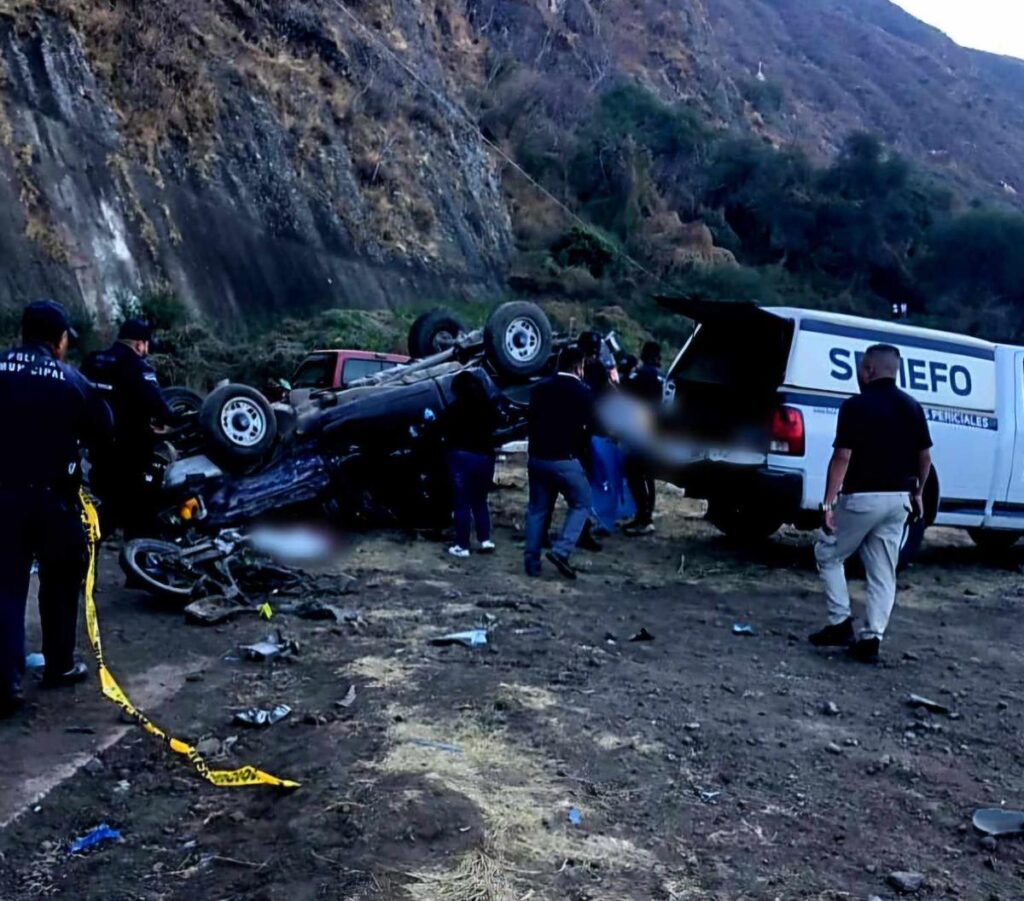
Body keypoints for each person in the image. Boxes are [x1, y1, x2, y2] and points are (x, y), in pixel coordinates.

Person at [0, 300, 112, 718]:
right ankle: (59, 665)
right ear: (58, 340)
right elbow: (105, 427)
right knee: (62, 578)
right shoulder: (70, 379)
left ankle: (5, 681)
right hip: (53, 499)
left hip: (3, 496)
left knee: (6, 587)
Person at [810, 344, 932, 664]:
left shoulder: (855, 406)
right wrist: (918, 493)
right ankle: (872, 638)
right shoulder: (913, 407)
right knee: (882, 571)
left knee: (828, 552)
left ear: (869, 370)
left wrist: (826, 504)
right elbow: (925, 457)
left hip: (862, 498)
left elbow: (842, 456)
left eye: (861, 368)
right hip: (899, 501)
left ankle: (839, 622)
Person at [81, 318, 176, 537]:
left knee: (108, 508)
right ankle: (138, 565)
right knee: (141, 518)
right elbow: (159, 407)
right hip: (131, 456)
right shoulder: (137, 367)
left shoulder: (94, 361)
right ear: (140, 344)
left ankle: (86, 559)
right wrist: (173, 423)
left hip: (98, 454)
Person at [523, 347, 594, 579]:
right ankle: (562, 550)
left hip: (537, 457)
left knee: (537, 509)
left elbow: (530, 421)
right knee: (582, 502)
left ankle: (531, 563)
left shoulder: (539, 388)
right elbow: (590, 428)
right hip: (565, 459)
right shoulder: (583, 392)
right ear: (578, 366)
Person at [444, 370, 499, 558]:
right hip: (485, 458)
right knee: (480, 501)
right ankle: (485, 540)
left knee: (462, 503)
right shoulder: (488, 407)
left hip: (461, 458)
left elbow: (444, 432)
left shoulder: (454, 408)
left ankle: (462, 545)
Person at [622, 341, 665, 535]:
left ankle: (643, 518)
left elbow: (624, 390)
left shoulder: (640, 374)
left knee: (634, 473)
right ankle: (646, 516)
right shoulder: (663, 377)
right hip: (657, 432)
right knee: (648, 475)